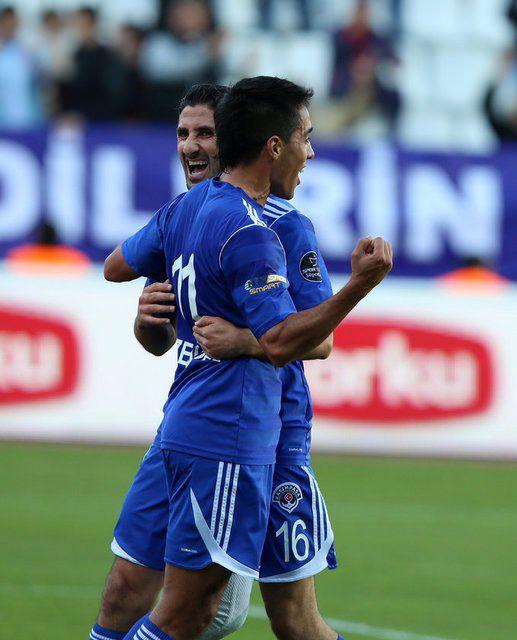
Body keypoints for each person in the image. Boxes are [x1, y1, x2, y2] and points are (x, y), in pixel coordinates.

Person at [104, 76, 392, 640]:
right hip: (213, 430)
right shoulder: (194, 214)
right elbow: (142, 300)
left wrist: (243, 340)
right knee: (162, 603)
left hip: (270, 437)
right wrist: (149, 317)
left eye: (205, 133)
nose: (192, 146)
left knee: (252, 614)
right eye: (183, 134)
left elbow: (316, 343)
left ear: (237, 136)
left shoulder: (283, 225)